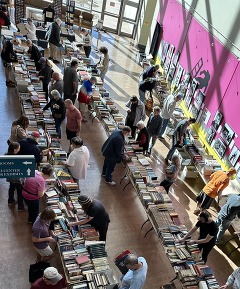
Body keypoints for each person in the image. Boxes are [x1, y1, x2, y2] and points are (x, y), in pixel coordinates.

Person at [6, 142, 24, 211]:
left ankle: (10, 201)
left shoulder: (6, 155)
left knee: (11, 189)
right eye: (18, 149)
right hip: (18, 179)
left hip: (10, 178)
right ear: (14, 150)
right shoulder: (17, 158)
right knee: (20, 193)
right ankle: (20, 207)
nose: (19, 150)